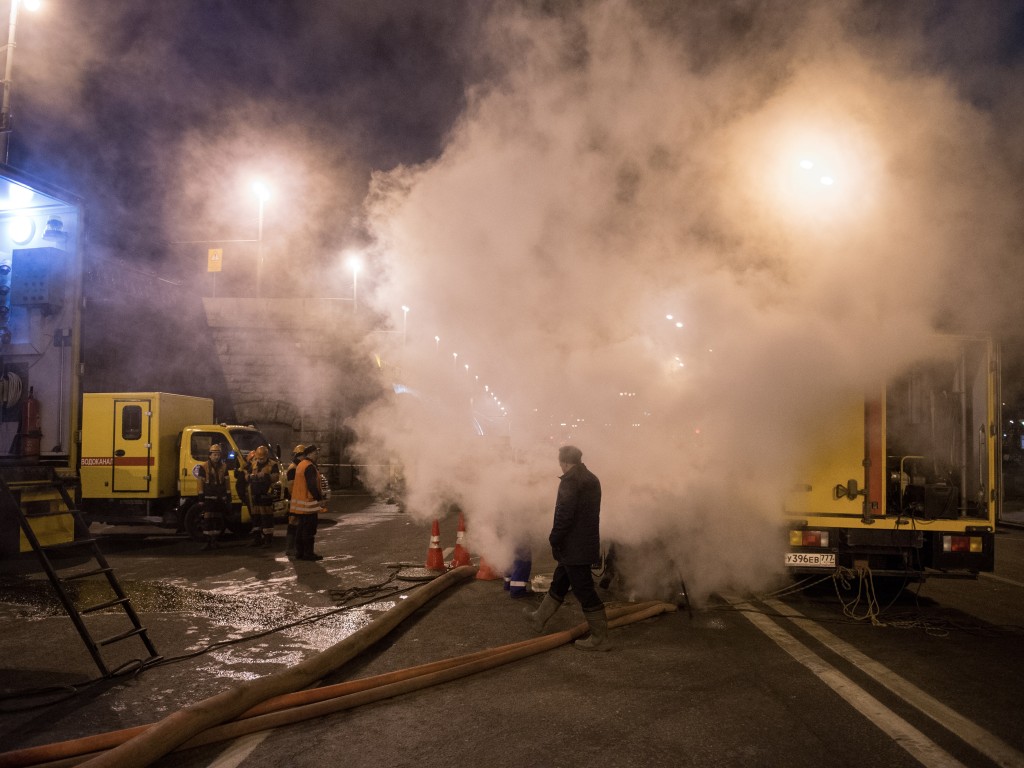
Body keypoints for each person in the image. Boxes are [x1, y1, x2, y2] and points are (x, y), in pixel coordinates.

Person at [525, 445, 610, 650]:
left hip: (574, 547)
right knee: (561, 581)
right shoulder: (592, 478)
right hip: (584, 543)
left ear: (564, 462)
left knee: (584, 590)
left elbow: (564, 516)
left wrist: (554, 538)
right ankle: (539, 618)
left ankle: (600, 639)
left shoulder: (571, 481)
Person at [289, 444, 327, 561]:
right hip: (308, 505)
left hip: (300, 505)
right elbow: (312, 485)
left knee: (300, 529)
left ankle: (299, 553)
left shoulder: (301, 465)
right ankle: (308, 553)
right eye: (315, 453)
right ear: (310, 454)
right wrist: (319, 499)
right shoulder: (309, 467)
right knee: (309, 531)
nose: (317, 456)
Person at [197, 443, 231, 551]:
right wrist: (201, 497)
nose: (216, 457)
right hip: (208, 496)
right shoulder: (203, 467)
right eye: (214, 454)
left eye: (218, 454)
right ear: (210, 455)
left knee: (217, 519)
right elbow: (200, 483)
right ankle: (208, 541)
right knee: (208, 519)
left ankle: (214, 541)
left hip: (219, 497)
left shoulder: (224, 467)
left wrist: (228, 495)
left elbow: (227, 482)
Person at [246, 445, 281, 547]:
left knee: (267, 518)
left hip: (266, 495)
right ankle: (257, 539)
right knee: (256, 518)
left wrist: (265, 476)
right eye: (258, 458)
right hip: (255, 495)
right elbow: (246, 475)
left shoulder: (272, 465)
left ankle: (268, 540)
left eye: (262, 458)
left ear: (266, 456)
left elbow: (275, 477)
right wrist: (250, 477)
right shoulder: (253, 464)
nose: (260, 460)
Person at [283, 444, 304, 559]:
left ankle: (294, 547)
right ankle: (290, 548)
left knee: (296, 523)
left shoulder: (297, 467)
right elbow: (291, 487)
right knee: (293, 522)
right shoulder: (293, 468)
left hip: (297, 500)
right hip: (295, 500)